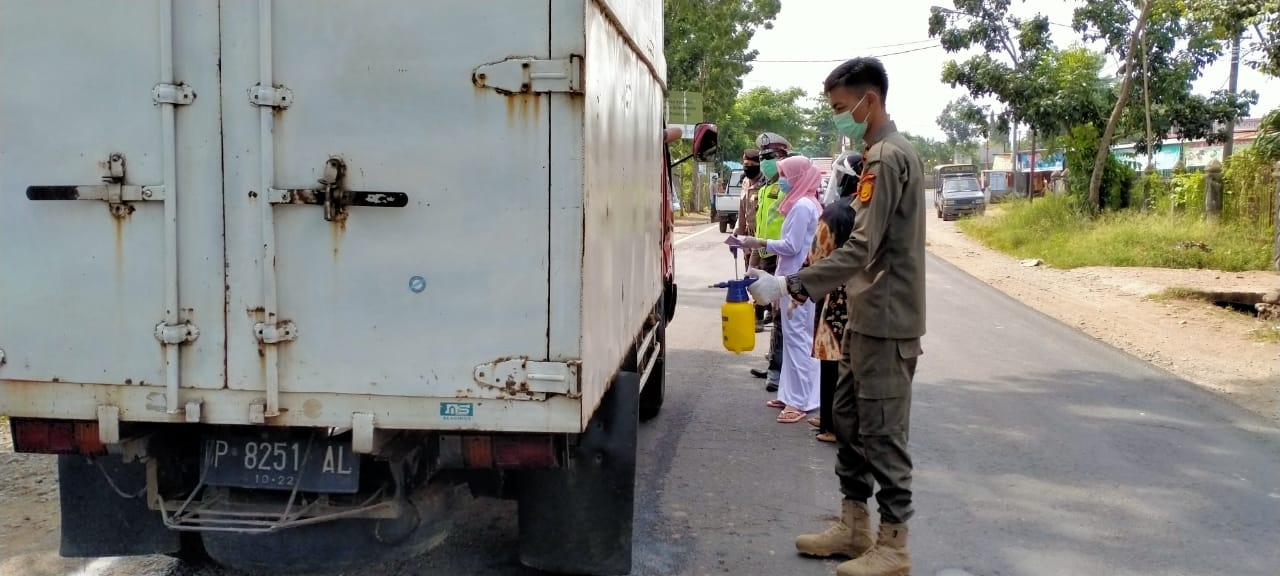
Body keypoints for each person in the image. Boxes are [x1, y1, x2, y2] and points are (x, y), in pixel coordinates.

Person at [745, 57, 924, 576]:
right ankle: (854, 525)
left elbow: (863, 246)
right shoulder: (876, 154)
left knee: (884, 433)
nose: (839, 117)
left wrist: (793, 284)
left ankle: (893, 544)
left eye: (842, 107)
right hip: (866, 315)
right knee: (845, 418)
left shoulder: (888, 157)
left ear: (870, 99)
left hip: (889, 319)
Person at [737, 155, 822, 424]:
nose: (781, 181)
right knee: (794, 338)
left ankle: (801, 401)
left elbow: (792, 246)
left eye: (785, 176)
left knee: (798, 341)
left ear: (797, 177)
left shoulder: (802, 207)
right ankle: (790, 394)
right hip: (794, 280)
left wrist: (759, 241)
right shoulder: (806, 203)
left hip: (796, 282)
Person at [808, 151, 861, 443]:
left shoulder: (834, 213)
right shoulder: (870, 207)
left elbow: (817, 256)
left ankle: (830, 425)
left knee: (831, 360)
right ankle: (836, 418)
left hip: (836, 295)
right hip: (866, 292)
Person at [747, 133, 792, 392]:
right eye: (761, 157)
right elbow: (759, 225)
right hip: (765, 254)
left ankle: (778, 371)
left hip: (782, 255)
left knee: (780, 314)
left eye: (769, 157)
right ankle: (774, 364)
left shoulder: (788, 186)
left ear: (782, 158)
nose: (763, 162)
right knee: (772, 313)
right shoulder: (764, 188)